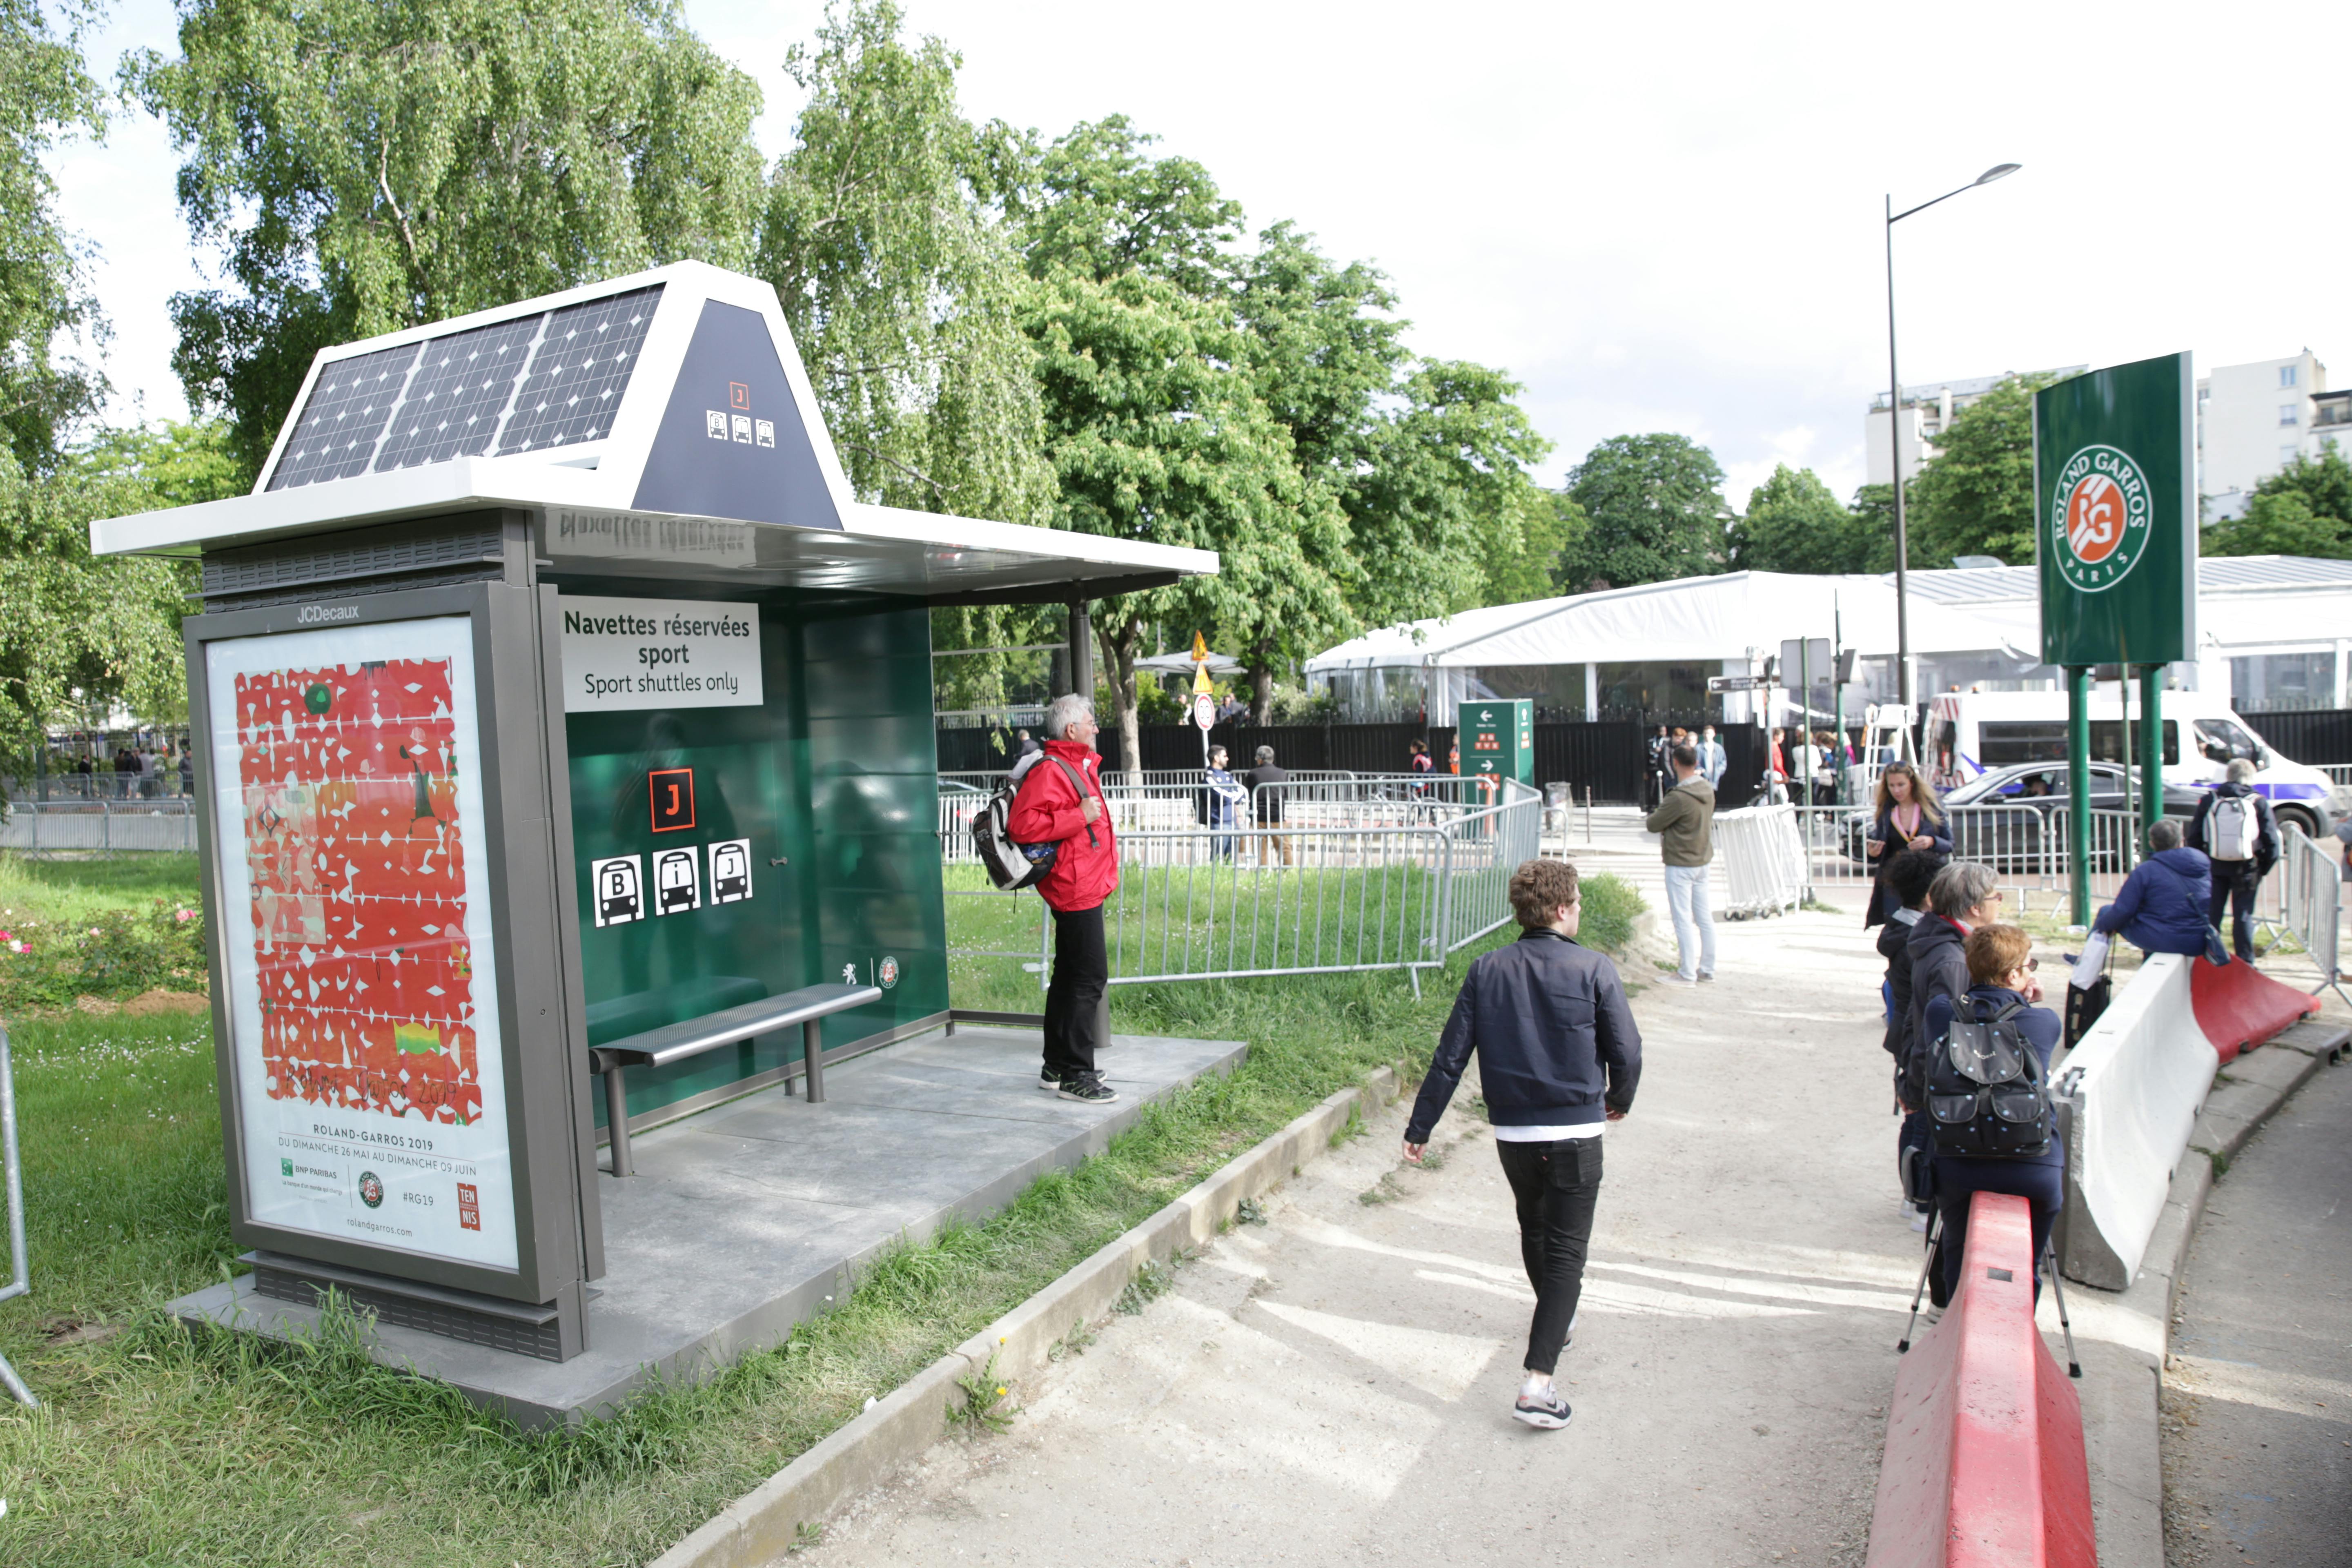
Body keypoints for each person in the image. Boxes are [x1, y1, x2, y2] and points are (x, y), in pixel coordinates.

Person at [1400, 858, 1641, 1431]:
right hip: (1577, 1132)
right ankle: (1537, 1385)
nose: (1580, 908)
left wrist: (1420, 1126)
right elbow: (1627, 1050)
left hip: (1514, 1133)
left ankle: (1558, 1321)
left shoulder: (1486, 971)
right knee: (1566, 1252)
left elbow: (1450, 1057)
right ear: (1562, 910)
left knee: (1535, 1231)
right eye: (1578, 902)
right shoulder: (1594, 969)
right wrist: (1621, 1099)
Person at [1922, 923, 2065, 1301]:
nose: (2032, 971)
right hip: (2032, 1166)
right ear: (2014, 975)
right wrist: (2027, 1003)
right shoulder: (2044, 1020)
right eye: (2028, 964)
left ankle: (1954, 1316)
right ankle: (2020, 1318)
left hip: (1959, 1160)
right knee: (2028, 1259)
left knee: (1957, 1245)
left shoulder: (1940, 1013)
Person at [1006, 694, 1120, 1103]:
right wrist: (1081, 816)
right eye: (1090, 722)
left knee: (1070, 976)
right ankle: (1077, 1074)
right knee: (1089, 979)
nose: (1095, 727)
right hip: (1075, 886)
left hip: (1085, 881)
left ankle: (1057, 1065)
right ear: (1071, 729)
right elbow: (1023, 826)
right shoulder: (1052, 769)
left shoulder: (1077, 765)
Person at [1876, 849, 1944, 1228]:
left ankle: (1911, 1196)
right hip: (1914, 1034)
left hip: (1905, 1031)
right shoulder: (1917, 938)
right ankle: (1918, 1200)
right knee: (1920, 1117)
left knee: (1913, 1116)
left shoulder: (1901, 928)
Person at [2187, 758, 2278, 963]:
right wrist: (2263, 868)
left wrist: (2202, 863)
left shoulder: (2211, 799)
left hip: (2215, 866)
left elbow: (2195, 836)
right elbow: (2272, 840)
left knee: (2213, 914)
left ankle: (2209, 956)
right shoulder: (2258, 801)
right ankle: (2246, 962)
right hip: (2247, 867)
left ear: (2228, 775)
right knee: (2243, 916)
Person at [2093, 818, 2221, 960]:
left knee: (2107, 912)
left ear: (2152, 843)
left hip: (2161, 939)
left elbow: (2123, 910)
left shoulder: (2146, 871)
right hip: (2198, 939)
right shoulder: (2202, 864)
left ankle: (2086, 964)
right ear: (2182, 840)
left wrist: (2101, 927)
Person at [1644, 742, 1716, 984]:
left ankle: (1686, 973)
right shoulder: (1707, 789)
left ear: (1675, 763)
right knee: (1704, 918)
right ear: (1697, 763)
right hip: (1702, 860)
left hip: (1680, 863)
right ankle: (1708, 968)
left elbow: (1653, 824)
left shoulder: (1679, 797)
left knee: (1683, 919)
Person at [1864, 761, 1952, 927]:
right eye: (1892, 785)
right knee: (1895, 927)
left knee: (1927, 926)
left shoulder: (1931, 808)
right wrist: (1873, 852)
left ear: (1912, 783)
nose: (1897, 790)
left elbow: (1950, 844)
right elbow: (1879, 845)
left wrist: (1932, 841)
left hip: (1926, 880)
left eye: (1901, 785)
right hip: (1895, 880)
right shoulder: (1886, 810)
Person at [1197, 744, 1247, 859]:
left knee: (1232, 857)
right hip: (1219, 822)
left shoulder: (1227, 775)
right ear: (1216, 758)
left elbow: (1241, 791)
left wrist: (1233, 796)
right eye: (1224, 756)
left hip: (1233, 821)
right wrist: (1233, 797)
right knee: (1217, 856)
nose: (1227, 758)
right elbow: (1222, 797)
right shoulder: (1209, 777)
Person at [1246, 744, 1291, 866]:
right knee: (1284, 846)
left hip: (1258, 815)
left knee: (1261, 847)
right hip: (1277, 815)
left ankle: (1262, 870)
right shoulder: (1282, 773)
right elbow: (1285, 793)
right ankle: (1288, 869)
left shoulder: (1253, 774)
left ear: (1260, 759)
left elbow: (1250, 793)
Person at [1644, 726, 1670, 808]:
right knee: (1652, 787)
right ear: (1657, 732)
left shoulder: (1668, 741)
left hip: (1664, 768)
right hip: (1653, 768)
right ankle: (1652, 807)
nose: (1664, 733)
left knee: (1666, 787)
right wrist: (1645, 771)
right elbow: (1645, 756)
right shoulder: (1651, 741)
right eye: (1662, 731)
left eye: (1665, 731)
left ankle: (1666, 806)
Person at [1697, 724, 1727, 789]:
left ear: (1714, 734)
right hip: (1702, 779)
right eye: (1705, 733)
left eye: (1709, 733)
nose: (1707, 735)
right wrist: (1702, 771)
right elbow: (1696, 762)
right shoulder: (1698, 748)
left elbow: (1723, 762)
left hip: (1716, 779)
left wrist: (1719, 771)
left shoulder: (1719, 748)